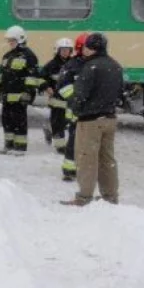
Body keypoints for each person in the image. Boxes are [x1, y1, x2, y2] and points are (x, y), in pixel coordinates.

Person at [61, 33, 124, 206]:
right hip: (110, 118)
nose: (84, 50)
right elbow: (121, 94)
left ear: (91, 48)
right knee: (107, 160)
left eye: (86, 47)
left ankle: (83, 197)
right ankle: (110, 196)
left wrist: (74, 107)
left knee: (86, 159)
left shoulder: (90, 67)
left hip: (90, 121)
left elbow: (80, 95)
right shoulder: (115, 66)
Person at [0, 25, 40, 153]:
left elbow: (32, 76)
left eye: (12, 40)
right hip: (7, 96)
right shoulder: (7, 56)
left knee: (19, 122)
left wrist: (28, 92)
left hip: (20, 96)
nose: (10, 43)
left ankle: (20, 147)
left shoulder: (28, 56)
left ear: (20, 39)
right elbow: (2, 74)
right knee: (7, 121)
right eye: (9, 40)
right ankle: (9, 145)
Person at [56, 33, 89, 181]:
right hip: (76, 112)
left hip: (92, 112)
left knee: (89, 143)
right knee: (74, 141)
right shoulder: (71, 65)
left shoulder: (95, 64)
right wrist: (76, 99)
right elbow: (62, 86)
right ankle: (69, 170)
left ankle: (86, 169)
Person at [40, 37, 75, 154]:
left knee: (67, 122)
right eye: (63, 50)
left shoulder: (74, 64)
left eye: (68, 50)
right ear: (58, 50)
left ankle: (49, 129)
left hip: (70, 100)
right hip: (56, 101)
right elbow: (40, 78)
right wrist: (46, 87)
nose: (65, 52)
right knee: (58, 123)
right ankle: (60, 147)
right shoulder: (51, 65)